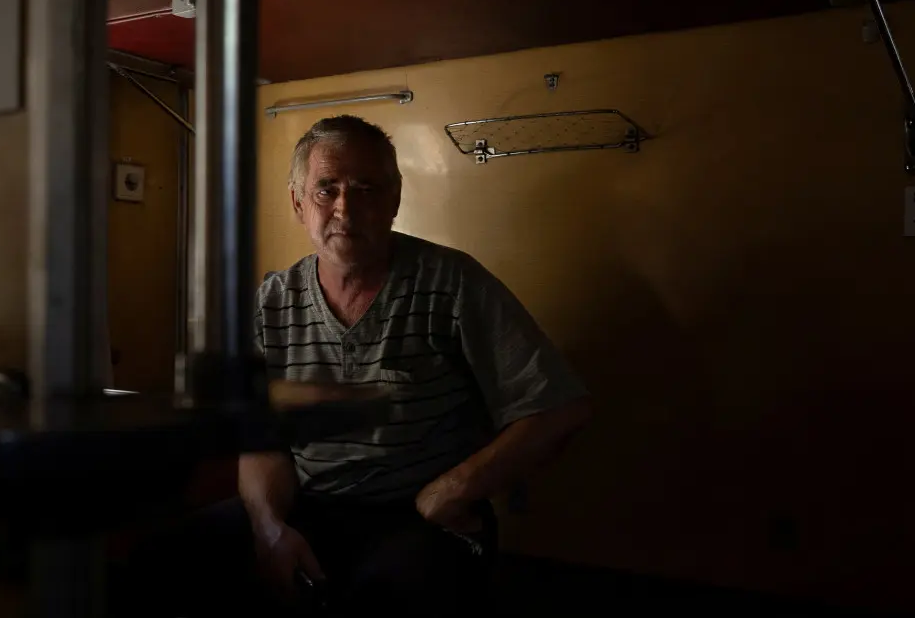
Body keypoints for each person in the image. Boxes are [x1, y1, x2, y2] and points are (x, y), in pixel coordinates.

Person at [134, 115, 590, 617]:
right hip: (307, 507)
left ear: (394, 199)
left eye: (366, 188)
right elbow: (261, 439)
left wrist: (451, 492)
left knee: (387, 598)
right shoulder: (271, 303)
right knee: (162, 561)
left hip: (419, 517)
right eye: (326, 189)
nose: (344, 208)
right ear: (298, 203)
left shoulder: (453, 284)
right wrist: (270, 529)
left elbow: (556, 408)